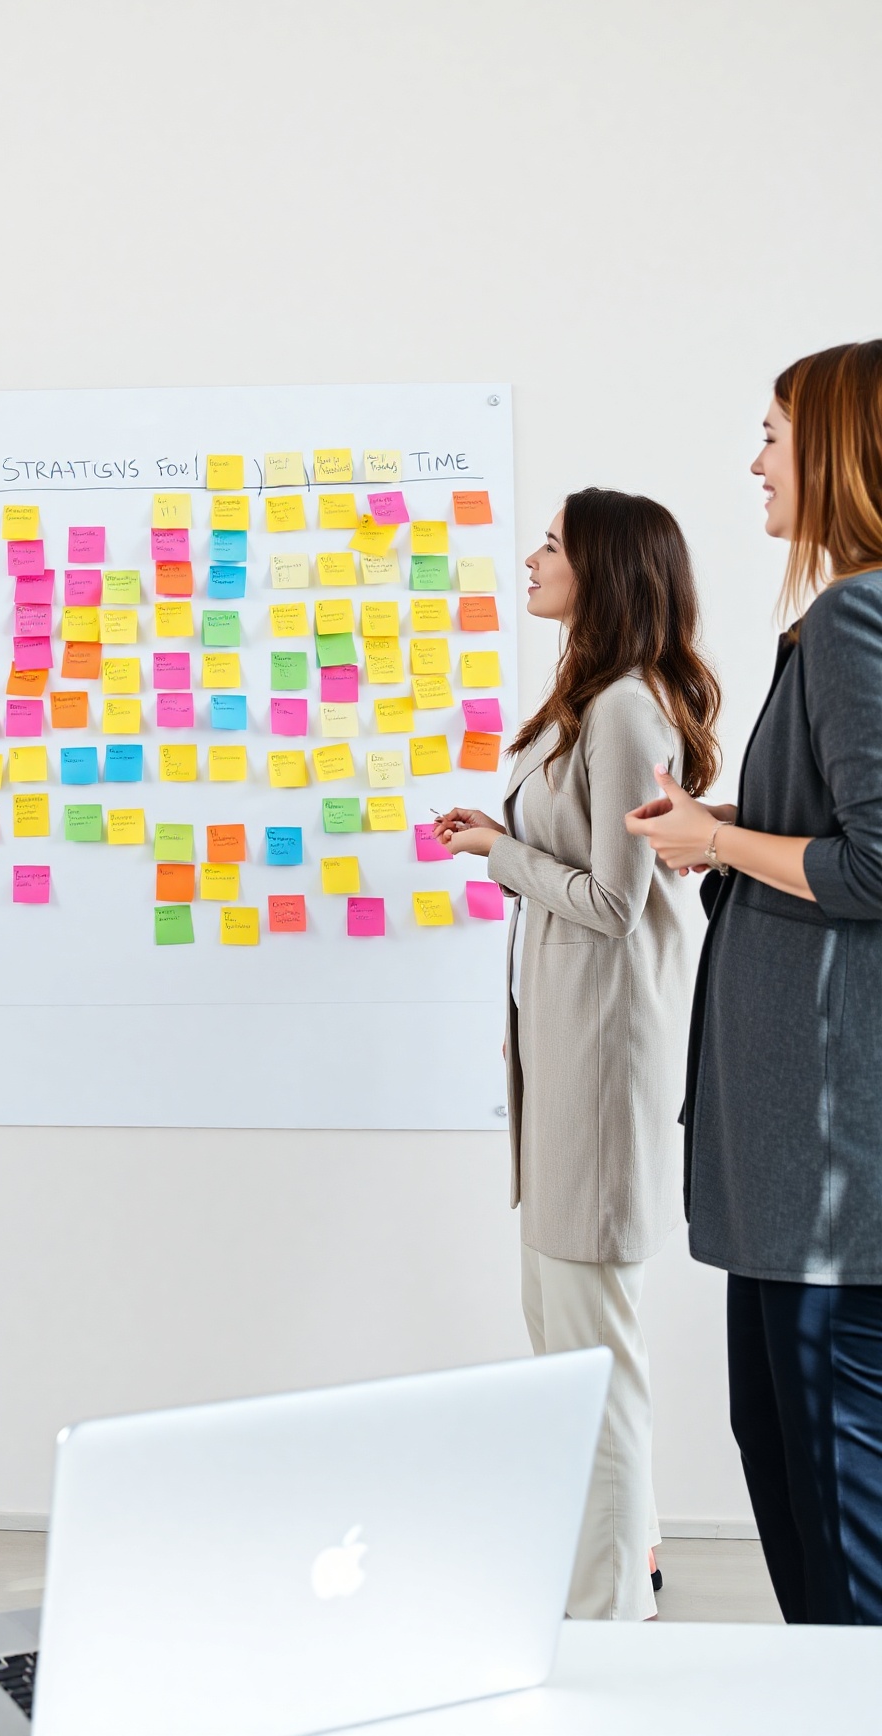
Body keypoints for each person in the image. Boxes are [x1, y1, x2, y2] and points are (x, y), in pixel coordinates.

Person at [628, 344, 882, 1627]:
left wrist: (715, 842)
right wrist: (724, 821)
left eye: (772, 433)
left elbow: (879, 860)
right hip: (811, 1175)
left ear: (837, 447)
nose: (754, 460)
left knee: (830, 1532)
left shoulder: (856, 615)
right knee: (797, 1477)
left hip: (825, 1181)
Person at [435, 490, 720, 1620]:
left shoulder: (618, 711)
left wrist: (502, 853)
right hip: (568, 1061)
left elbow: (611, 899)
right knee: (566, 1342)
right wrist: (501, 841)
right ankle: (623, 1562)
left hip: (600, 1067)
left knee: (590, 1356)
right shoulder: (591, 704)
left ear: (601, 566)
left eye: (551, 543)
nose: (531, 556)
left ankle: (610, 1614)